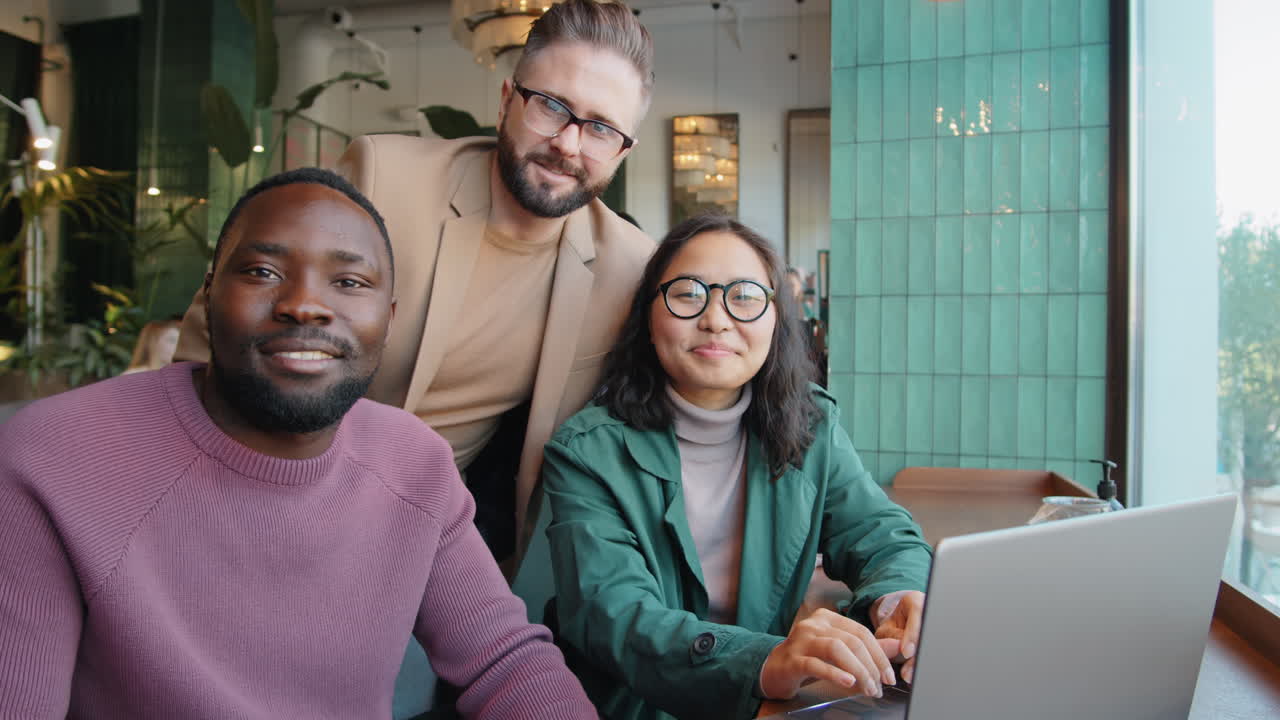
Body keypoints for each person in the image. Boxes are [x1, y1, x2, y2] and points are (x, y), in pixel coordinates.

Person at [0, 168, 596, 720]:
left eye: (349, 281)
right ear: (208, 296)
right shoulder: (50, 460)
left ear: (388, 319)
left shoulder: (414, 464)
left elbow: (506, 662)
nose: (305, 304)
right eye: (262, 272)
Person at [175, 0, 655, 567]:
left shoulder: (630, 266)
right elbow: (219, 328)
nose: (569, 145)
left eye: (601, 128)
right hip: (254, 486)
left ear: (624, 149)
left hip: (424, 537)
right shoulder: (385, 176)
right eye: (551, 106)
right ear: (506, 101)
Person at [542, 214, 934, 720]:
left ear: (775, 316)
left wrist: (896, 600)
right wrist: (765, 660)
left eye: (745, 296)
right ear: (648, 314)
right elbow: (612, 615)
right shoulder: (587, 452)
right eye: (688, 293)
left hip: (762, 705)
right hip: (626, 707)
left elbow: (880, 534)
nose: (717, 320)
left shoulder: (810, 424)